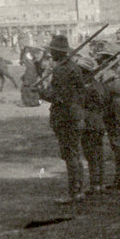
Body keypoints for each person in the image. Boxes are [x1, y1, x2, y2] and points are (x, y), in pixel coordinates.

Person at [37, 35, 91, 203]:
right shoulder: (73, 67)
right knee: (74, 153)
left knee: (70, 155)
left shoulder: (62, 70)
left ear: (58, 52)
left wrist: (40, 92)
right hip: (75, 114)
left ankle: (75, 192)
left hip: (65, 115)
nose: (50, 53)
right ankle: (78, 190)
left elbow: (59, 97)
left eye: (52, 50)